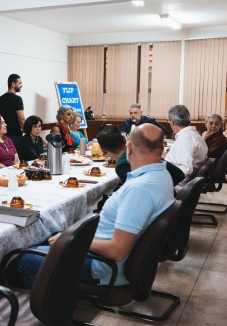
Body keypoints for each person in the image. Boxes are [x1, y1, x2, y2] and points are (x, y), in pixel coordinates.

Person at [15, 124, 175, 289]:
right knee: (51, 238)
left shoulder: (139, 189)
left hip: (103, 265)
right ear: (161, 148)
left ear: (129, 147)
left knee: (22, 259)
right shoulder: (162, 175)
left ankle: (52, 308)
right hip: (107, 253)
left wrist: (72, 241)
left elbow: (116, 250)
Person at [97, 124, 184, 186]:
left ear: (102, 149)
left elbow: (130, 194)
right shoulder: (142, 152)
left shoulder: (122, 165)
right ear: (124, 139)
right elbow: (179, 174)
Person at [164, 105, 207, 193]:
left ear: (172, 121)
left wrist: (168, 185)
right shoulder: (195, 135)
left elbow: (184, 170)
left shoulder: (185, 138)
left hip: (175, 186)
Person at [0, 74, 25, 144]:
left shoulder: (0, 99)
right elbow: (21, 120)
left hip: (3, 135)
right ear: (13, 84)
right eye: (20, 83)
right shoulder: (17, 99)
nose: (22, 85)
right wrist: (27, 133)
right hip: (15, 136)